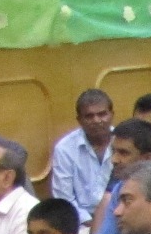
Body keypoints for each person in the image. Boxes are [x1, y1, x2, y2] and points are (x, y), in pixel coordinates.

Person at [49, 88, 116, 221]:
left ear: (112, 115)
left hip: (119, 217)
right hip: (82, 222)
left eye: (102, 114)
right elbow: (64, 200)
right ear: (79, 120)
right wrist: (91, 223)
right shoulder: (64, 149)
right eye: (89, 116)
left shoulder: (125, 143)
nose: (97, 120)